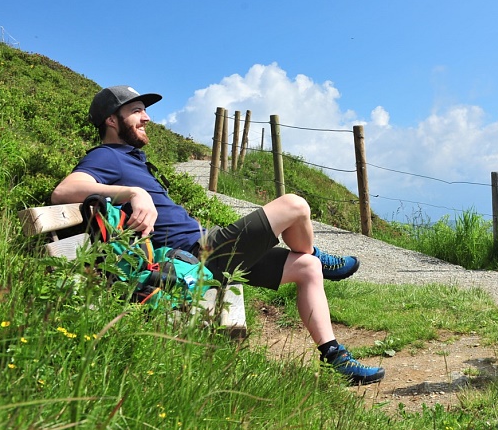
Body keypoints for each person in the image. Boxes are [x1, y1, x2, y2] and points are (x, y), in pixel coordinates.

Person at [51, 85, 385, 386]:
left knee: (306, 269)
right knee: (295, 205)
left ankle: (335, 359)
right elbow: (64, 191)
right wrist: (133, 193)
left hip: (206, 248)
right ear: (112, 120)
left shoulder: (131, 158)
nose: (146, 117)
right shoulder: (104, 156)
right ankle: (314, 252)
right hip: (197, 256)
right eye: (136, 111)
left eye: (144, 110)